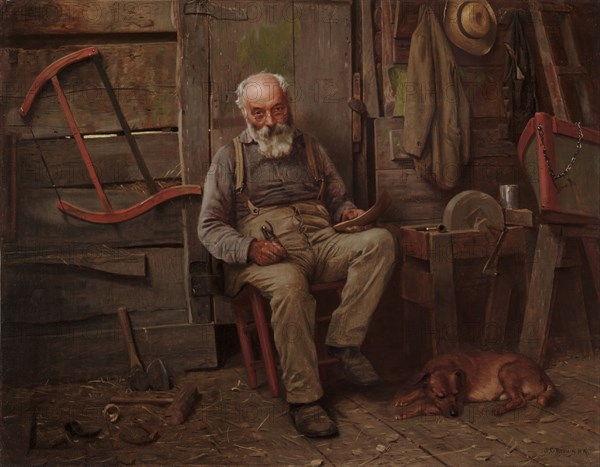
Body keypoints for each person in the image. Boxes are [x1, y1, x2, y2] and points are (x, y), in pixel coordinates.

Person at [198, 72, 396, 437]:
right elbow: (209, 227)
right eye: (259, 113)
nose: (271, 122)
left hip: (321, 240)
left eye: (278, 109)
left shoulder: (310, 147)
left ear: (289, 105)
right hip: (267, 255)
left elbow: (337, 199)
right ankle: (305, 401)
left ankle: (344, 342)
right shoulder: (229, 157)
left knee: (379, 241)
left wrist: (348, 214)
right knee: (289, 285)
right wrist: (250, 248)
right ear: (244, 113)